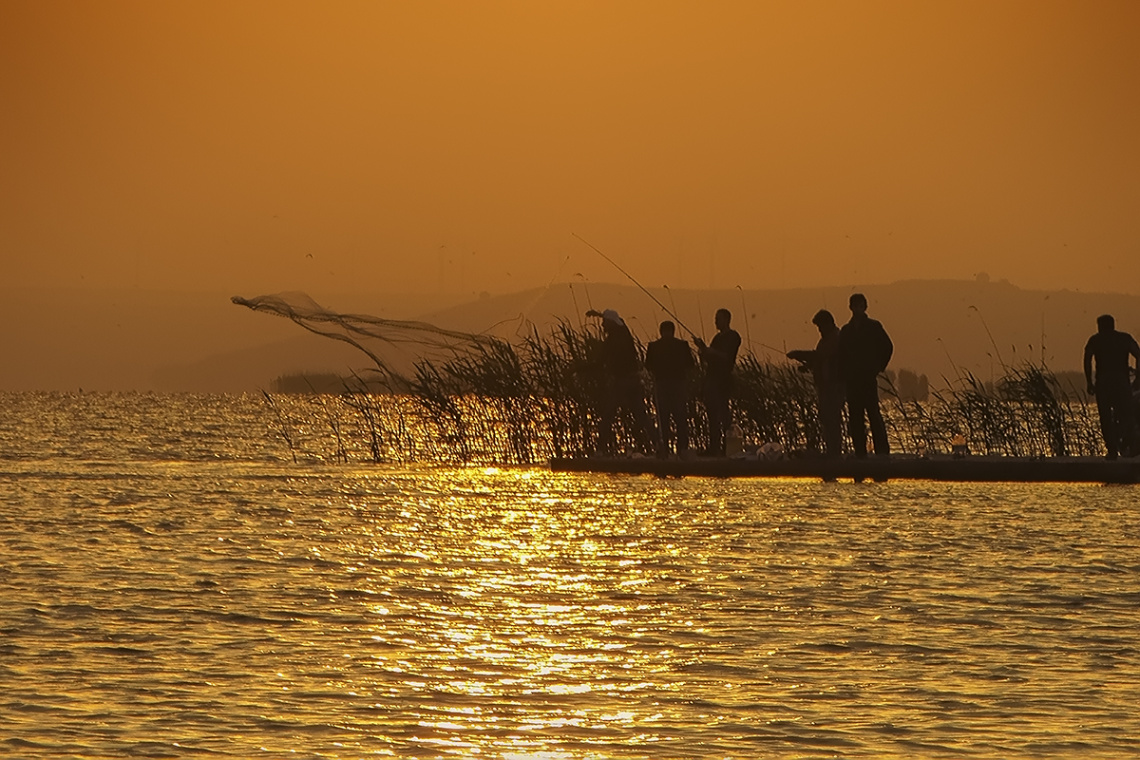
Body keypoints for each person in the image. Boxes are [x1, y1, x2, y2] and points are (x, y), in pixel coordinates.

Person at [586, 308, 655, 455]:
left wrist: (580, 369)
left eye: (604, 322)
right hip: (634, 380)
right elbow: (620, 320)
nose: (602, 326)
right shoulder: (625, 333)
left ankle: (600, 450)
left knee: (608, 415)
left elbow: (600, 362)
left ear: (611, 323)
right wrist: (598, 314)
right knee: (641, 415)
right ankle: (659, 446)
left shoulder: (612, 340)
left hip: (622, 382)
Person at [838, 293, 893, 458]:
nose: (858, 309)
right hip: (852, 380)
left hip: (868, 378)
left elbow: (888, 347)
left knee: (874, 414)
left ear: (865, 307)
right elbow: (841, 353)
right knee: (855, 417)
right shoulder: (846, 330)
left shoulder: (874, 327)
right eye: (855, 306)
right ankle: (860, 452)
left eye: (860, 306)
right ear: (851, 307)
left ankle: (882, 451)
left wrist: (878, 367)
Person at [787, 309, 843, 458]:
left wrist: (798, 354)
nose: (819, 330)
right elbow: (819, 360)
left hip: (833, 385)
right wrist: (807, 366)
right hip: (823, 385)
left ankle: (835, 452)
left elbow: (821, 355)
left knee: (832, 418)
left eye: (820, 326)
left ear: (828, 324)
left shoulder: (835, 338)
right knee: (825, 417)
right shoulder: (824, 340)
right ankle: (831, 450)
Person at [1083, 314, 1140, 459]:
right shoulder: (1125, 338)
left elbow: (1087, 359)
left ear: (1100, 326)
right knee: (1127, 415)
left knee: (1106, 417)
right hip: (1122, 382)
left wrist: (1089, 381)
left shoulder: (1095, 340)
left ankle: (1112, 450)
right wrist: (1138, 377)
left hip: (1104, 383)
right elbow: (1138, 355)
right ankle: (1132, 447)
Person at [694, 308, 741, 456]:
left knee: (723, 414)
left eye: (718, 318)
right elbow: (710, 358)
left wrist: (711, 352)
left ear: (727, 320)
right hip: (711, 378)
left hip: (723, 380)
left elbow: (727, 357)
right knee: (712, 415)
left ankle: (727, 448)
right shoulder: (717, 338)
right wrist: (702, 349)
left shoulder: (733, 337)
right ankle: (714, 447)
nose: (715, 321)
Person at [645, 320, 695, 457]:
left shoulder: (653, 346)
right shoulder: (682, 345)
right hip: (679, 383)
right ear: (673, 331)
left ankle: (665, 448)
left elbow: (648, 365)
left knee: (663, 417)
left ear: (661, 331)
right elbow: (690, 364)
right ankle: (682, 448)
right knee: (680, 417)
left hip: (661, 384)